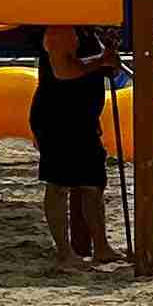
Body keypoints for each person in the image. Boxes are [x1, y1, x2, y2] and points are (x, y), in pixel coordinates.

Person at [30, 22, 114, 271]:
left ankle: (101, 247)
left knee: (93, 184)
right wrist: (102, 60)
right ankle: (64, 253)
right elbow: (64, 70)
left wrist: (109, 54)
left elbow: (106, 67)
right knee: (59, 184)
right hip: (57, 117)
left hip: (83, 117)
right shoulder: (60, 29)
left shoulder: (89, 30)